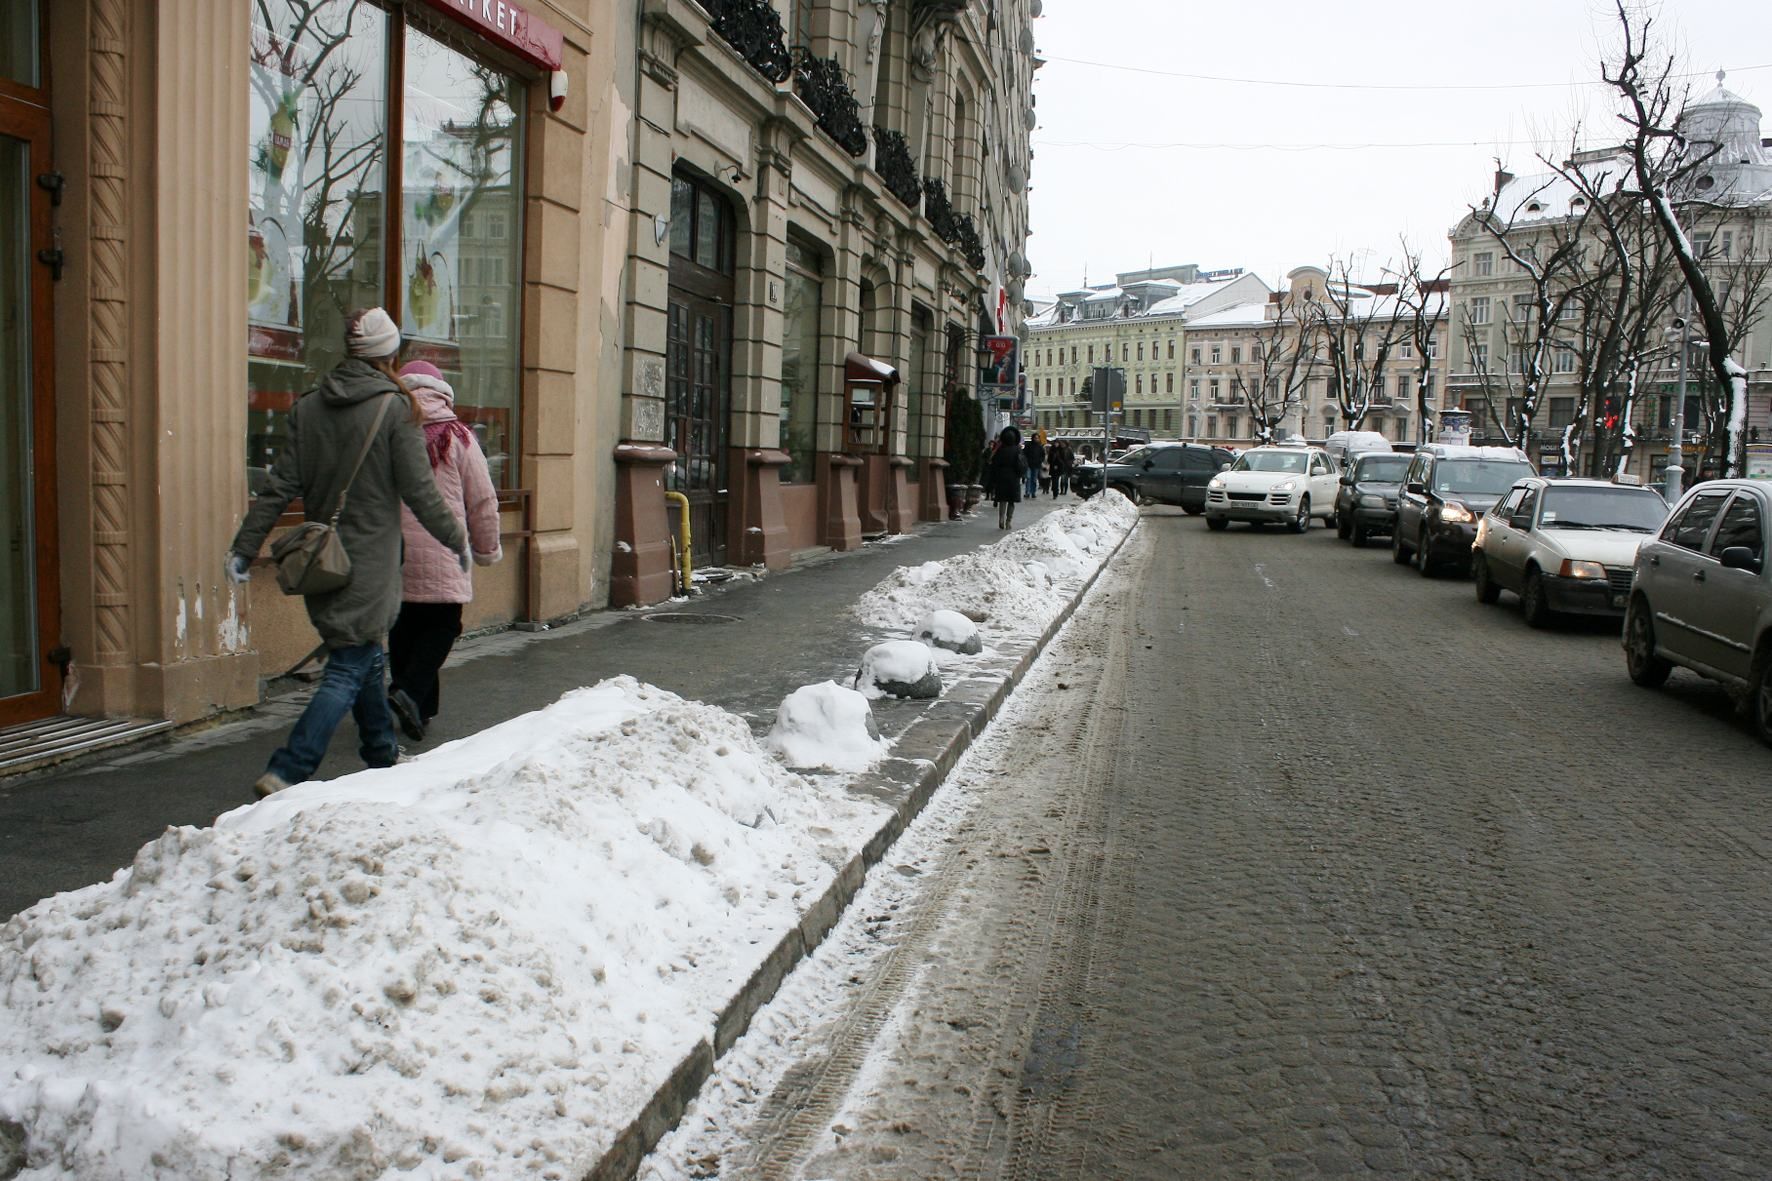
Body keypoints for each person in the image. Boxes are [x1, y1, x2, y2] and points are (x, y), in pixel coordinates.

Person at [227, 308, 468, 799]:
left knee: (363, 657)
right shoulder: (395, 408)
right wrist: (456, 539)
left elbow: (278, 487)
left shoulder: (309, 405)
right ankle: (289, 767)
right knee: (348, 665)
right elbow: (420, 491)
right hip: (371, 562)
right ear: (391, 355)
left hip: (322, 560)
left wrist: (243, 548)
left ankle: (381, 753)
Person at [385, 360, 503, 743]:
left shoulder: (388, 434)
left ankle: (419, 708)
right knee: (443, 625)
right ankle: (406, 691)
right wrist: (486, 549)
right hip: (444, 548)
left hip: (392, 551)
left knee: (405, 628)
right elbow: (482, 500)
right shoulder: (459, 437)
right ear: (442, 394)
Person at [987, 425, 1027, 529]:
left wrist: (994, 478)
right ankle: (1008, 521)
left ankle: (1001, 519)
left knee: (1002, 500)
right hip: (1014, 477)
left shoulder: (1000, 450)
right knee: (1011, 501)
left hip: (1002, 477)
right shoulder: (1018, 450)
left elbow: (994, 464)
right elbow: (1022, 464)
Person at [1022, 432, 1045, 500]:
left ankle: (1033, 492)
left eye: (1037, 438)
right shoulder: (1028, 445)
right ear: (1033, 438)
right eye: (1035, 438)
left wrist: (1040, 461)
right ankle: (1027, 492)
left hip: (1036, 465)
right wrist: (1026, 461)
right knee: (1028, 479)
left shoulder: (1040, 447)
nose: (1036, 439)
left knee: (1034, 480)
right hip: (1029, 465)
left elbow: (1042, 455)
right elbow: (1024, 454)